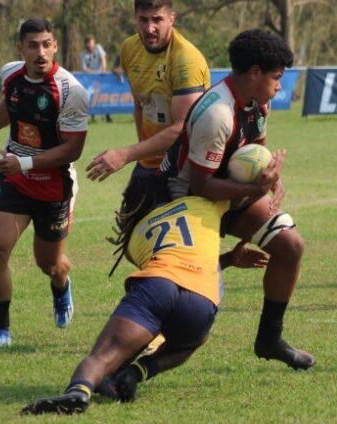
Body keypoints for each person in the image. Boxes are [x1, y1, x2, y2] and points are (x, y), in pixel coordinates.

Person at [21, 177, 269, 415]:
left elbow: (172, 261)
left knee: (103, 355)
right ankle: (137, 372)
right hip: (200, 297)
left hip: (157, 286)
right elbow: (242, 198)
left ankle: (78, 392)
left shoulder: (134, 238)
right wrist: (267, 182)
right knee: (194, 338)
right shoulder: (203, 204)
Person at [163, 29, 315, 370]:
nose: (280, 86)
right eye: (277, 77)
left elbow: (256, 150)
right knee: (185, 296)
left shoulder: (260, 103)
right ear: (255, 73)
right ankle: (139, 352)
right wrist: (255, 190)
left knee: (290, 245)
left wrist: (272, 179)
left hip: (229, 193)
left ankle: (269, 339)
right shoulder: (217, 114)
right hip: (187, 204)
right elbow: (201, 185)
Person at [0, 19, 89, 348]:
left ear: (55, 46)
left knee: (49, 263)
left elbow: (73, 149)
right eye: (33, 45)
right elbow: (10, 106)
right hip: (14, 176)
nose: (40, 52)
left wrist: (26, 163)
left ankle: (61, 283)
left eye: (46, 44)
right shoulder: (10, 75)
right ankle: (0, 330)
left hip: (54, 183)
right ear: (21, 49)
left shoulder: (71, 91)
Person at [86, 0, 210, 185]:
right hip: (147, 163)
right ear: (135, 18)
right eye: (143, 20)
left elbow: (183, 129)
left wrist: (126, 154)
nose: (149, 28)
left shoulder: (186, 59)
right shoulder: (129, 48)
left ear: (172, 19)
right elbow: (140, 106)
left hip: (184, 166)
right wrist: (143, 155)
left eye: (157, 20)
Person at [80, 35, 112, 122]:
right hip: (90, 79)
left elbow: (103, 60)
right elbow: (84, 68)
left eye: (91, 43)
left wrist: (103, 69)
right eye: (88, 44)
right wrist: (92, 72)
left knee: (104, 96)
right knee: (92, 97)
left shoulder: (98, 48)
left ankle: (107, 115)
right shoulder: (83, 54)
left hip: (101, 78)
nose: (90, 46)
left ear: (94, 43)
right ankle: (92, 116)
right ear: (86, 45)